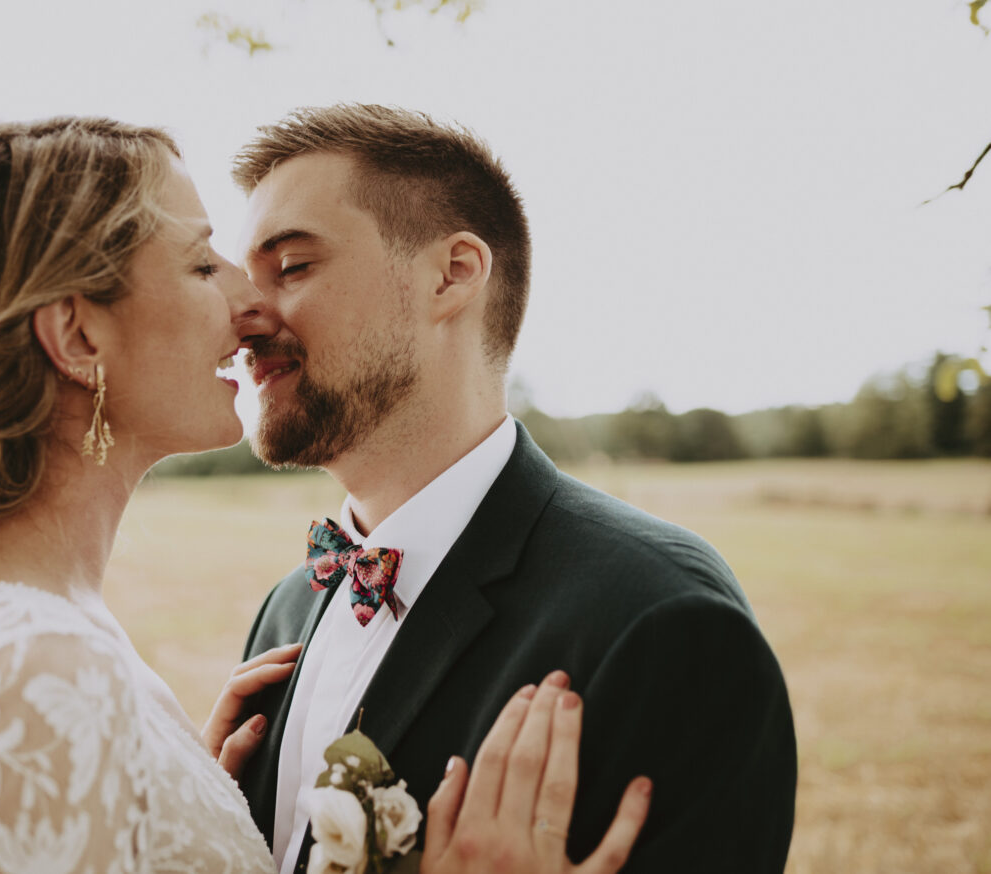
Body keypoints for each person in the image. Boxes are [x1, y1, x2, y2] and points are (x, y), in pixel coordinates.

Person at [0, 116, 651, 874]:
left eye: (289, 267)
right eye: (200, 262)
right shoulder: (31, 679)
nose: (248, 305)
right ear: (79, 337)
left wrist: (190, 806)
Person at [231, 104, 798, 874]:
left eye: (292, 267)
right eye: (243, 278)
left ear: (452, 274)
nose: (242, 317)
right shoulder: (288, 610)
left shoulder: (664, 623)